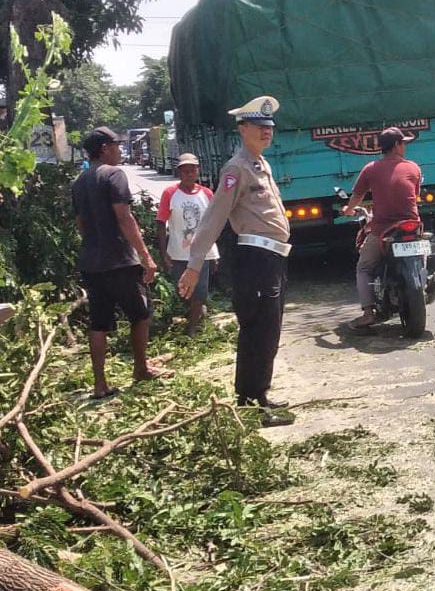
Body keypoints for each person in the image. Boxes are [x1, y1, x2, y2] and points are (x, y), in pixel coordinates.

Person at [178, 96, 293, 427]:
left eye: (269, 127)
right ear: (243, 129)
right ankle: (249, 403)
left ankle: (261, 393)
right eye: (259, 127)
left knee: (269, 330)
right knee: (256, 330)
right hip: (254, 259)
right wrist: (194, 263)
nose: (266, 132)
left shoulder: (260, 164)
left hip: (272, 257)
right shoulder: (235, 168)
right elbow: (215, 216)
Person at [71, 126, 168, 399]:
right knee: (141, 313)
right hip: (120, 262)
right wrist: (146, 257)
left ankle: (100, 384)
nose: (119, 150)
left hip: (91, 263)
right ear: (104, 148)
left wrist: (95, 243)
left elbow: (81, 223)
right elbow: (124, 217)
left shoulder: (79, 182)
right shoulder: (114, 174)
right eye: (116, 145)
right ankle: (140, 368)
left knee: (99, 322)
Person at [339, 127, 423, 329]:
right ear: (396, 145)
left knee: (364, 267)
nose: (405, 146)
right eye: (403, 143)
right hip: (412, 226)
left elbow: (357, 196)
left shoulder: (371, 169)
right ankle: (425, 282)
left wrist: (348, 210)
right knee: (422, 251)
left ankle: (368, 314)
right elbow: (415, 195)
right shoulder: (414, 168)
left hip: (383, 229)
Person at [156, 153, 219, 335]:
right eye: (185, 170)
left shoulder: (206, 194)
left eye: (193, 170)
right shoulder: (170, 194)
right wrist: (163, 253)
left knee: (200, 292)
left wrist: (215, 254)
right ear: (179, 172)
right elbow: (161, 223)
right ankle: (195, 315)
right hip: (179, 253)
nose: (189, 173)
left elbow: (212, 225)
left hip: (202, 254)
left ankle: (193, 327)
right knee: (183, 291)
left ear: (198, 171)